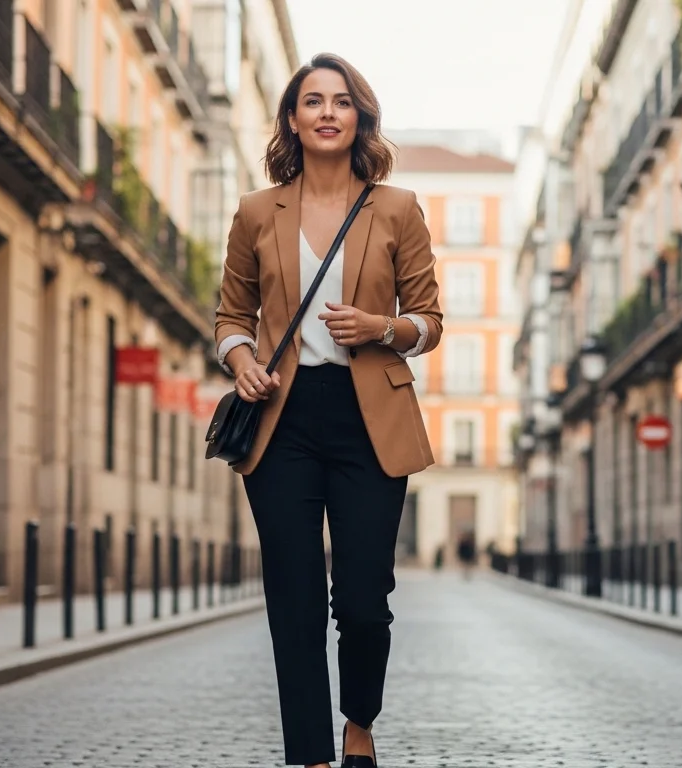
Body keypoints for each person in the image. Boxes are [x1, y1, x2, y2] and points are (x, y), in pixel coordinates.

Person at [214, 52, 443, 768]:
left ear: (359, 118)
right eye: (312, 101)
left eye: (341, 102)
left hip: (368, 414)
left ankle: (360, 721)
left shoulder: (397, 208)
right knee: (295, 600)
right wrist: (243, 362)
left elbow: (430, 321)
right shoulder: (257, 211)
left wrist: (380, 328)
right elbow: (230, 316)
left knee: (365, 599)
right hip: (282, 418)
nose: (326, 113)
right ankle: (312, 754)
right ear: (292, 117)